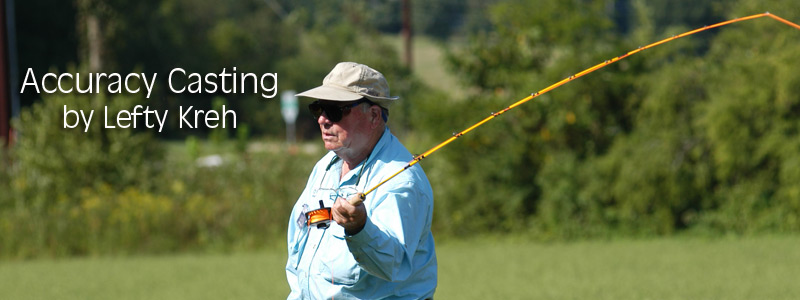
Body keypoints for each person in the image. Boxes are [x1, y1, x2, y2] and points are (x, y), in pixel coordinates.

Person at [286, 62, 437, 299]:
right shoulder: (325, 167)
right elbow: (300, 248)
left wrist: (359, 229)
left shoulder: (401, 182)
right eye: (318, 109)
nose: (322, 120)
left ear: (374, 115)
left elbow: (392, 265)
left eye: (334, 110)